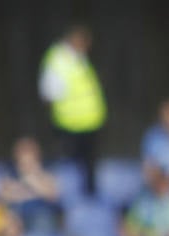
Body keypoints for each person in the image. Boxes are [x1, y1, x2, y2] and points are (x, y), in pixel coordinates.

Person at [38, 25, 106, 197]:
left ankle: (88, 199)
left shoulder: (78, 58)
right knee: (69, 170)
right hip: (69, 125)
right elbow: (49, 94)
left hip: (89, 123)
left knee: (88, 171)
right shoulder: (59, 60)